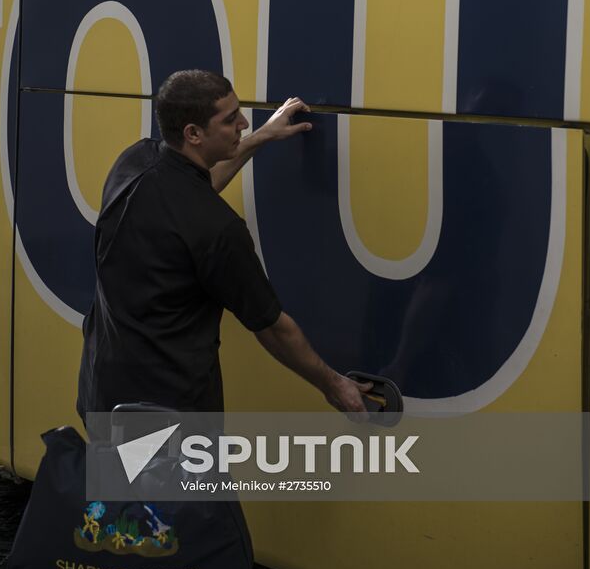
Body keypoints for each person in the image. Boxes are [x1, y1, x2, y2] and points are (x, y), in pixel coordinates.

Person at [77, 69, 371, 419]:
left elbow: (190, 191)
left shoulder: (134, 162)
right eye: (231, 120)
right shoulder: (218, 230)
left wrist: (259, 138)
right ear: (193, 134)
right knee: (169, 478)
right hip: (165, 423)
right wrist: (333, 384)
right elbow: (274, 329)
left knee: (115, 475)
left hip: (102, 393)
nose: (244, 123)